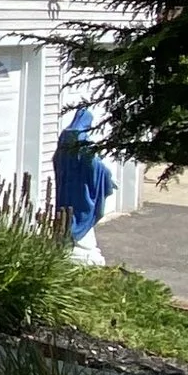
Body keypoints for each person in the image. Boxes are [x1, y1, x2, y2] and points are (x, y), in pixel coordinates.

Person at [52, 102, 116, 265]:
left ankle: (66, 241)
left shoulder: (64, 138)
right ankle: (80, 243)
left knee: (65, 213)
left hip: (66, 189)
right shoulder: (81, 139)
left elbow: (56, 160)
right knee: (81, 215)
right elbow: (94, 165)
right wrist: (107, 175)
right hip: (82, 191)